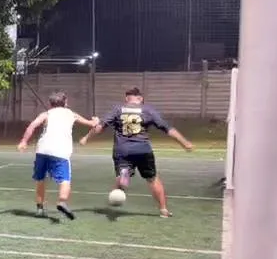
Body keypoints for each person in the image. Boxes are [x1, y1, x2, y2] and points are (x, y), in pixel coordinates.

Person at [81, 87, 195, 218]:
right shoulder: (148, 110)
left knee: (124, 176)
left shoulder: (118, 109)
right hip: (143, 150)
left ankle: (122, 183)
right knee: (152, 178)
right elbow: (167, 128)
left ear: (126, 98)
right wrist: (184, 142)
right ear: (140, 98)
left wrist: (86, 137)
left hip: (123, 151)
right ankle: (163, 210)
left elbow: (99, 128)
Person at [17, 91, 98, 220]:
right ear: (65, 102)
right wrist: (95, 120)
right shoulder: (71, 114)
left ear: (50, 103)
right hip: (60, 152)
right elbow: (92, 124)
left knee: (41, 180)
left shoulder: (46, 114)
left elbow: (32, 126)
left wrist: (23, 141)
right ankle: (62, 201)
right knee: (65, 180)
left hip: (42, 150)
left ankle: (40, 209)